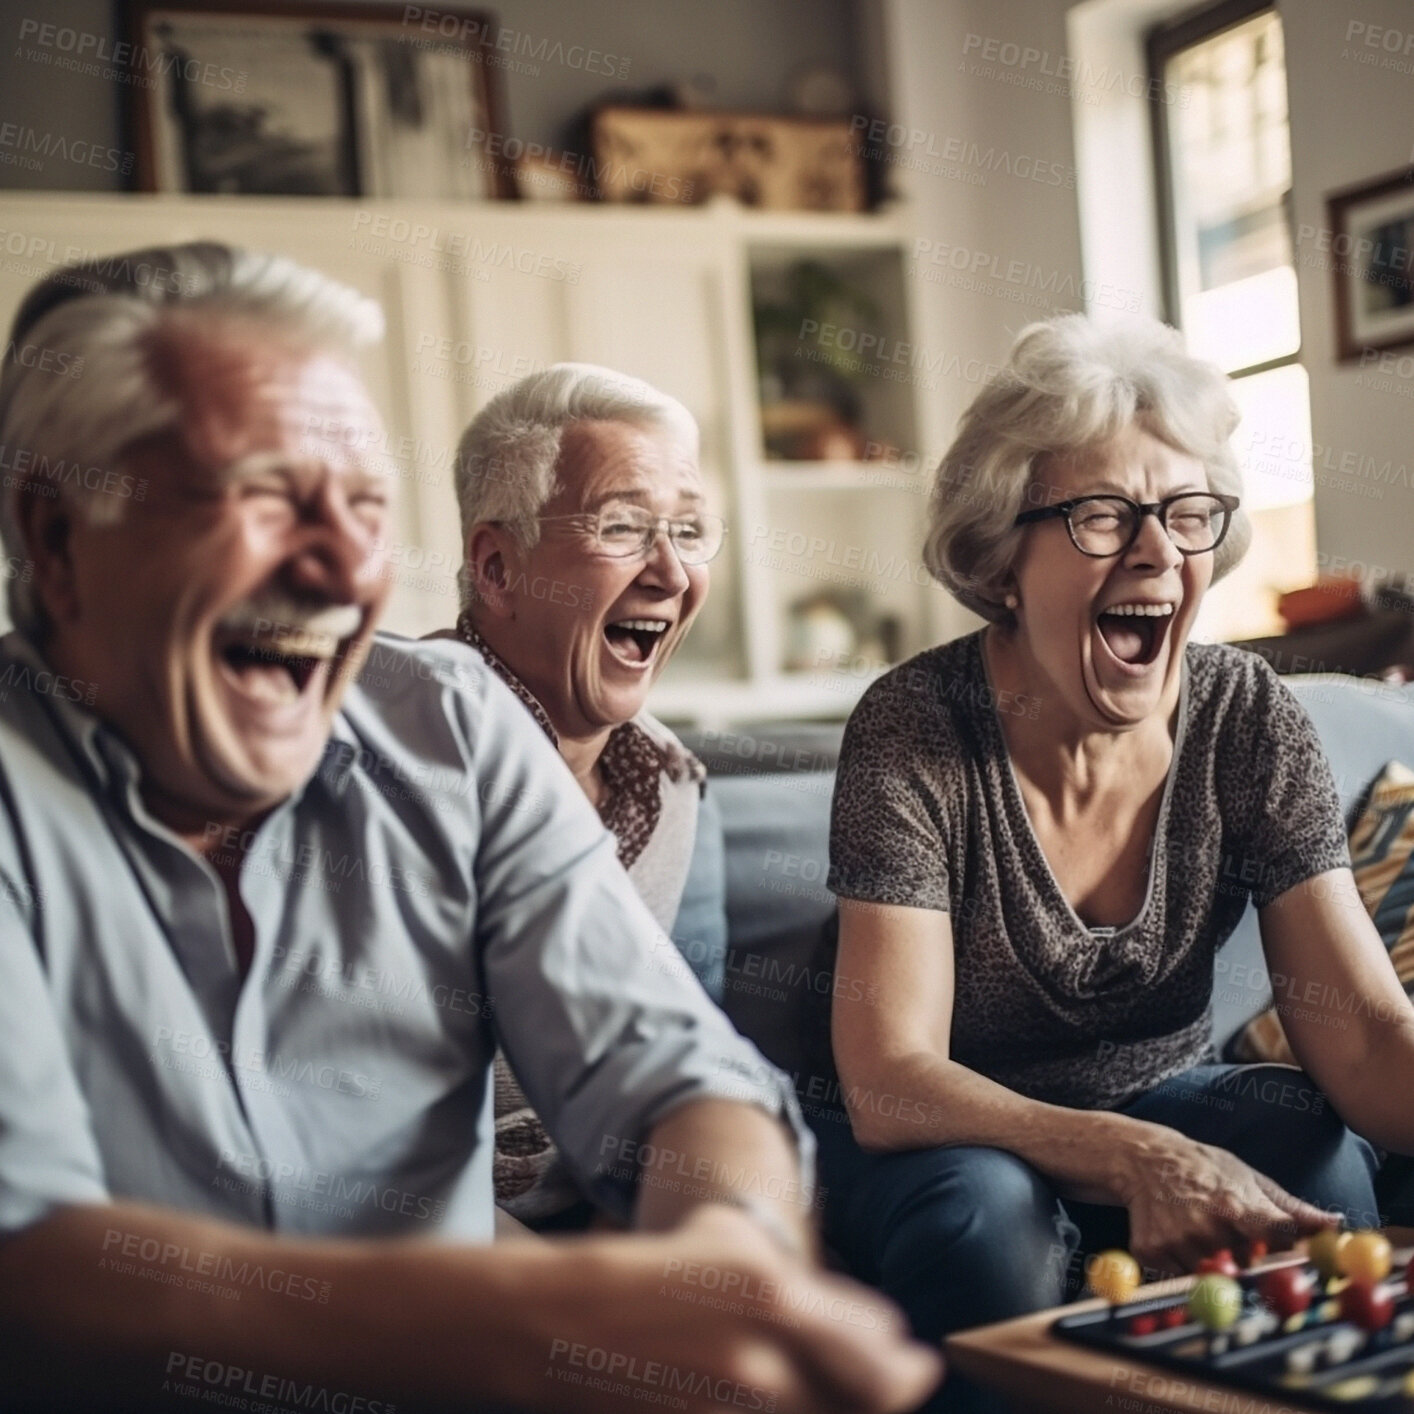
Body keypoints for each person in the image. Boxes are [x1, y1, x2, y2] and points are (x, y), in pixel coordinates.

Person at [0, 242, 941, 1414]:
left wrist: (724, 1258)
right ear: (54, 539)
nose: (349, 565)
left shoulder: (451, 726)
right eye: (259, 493)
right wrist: (526, 1326)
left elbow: (667, 1076)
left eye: (363, 505)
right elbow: (27, 1267)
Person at [818, 314, 1414, 1411]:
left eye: (1187, 515)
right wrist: (1136, 1156)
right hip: (949, 1128)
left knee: (1311, 1154)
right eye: (1101, 516)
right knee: (982, 1221)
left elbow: (1368, 1039)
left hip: (1160, 1088)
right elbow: (890, 1081)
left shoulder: (1245, 716)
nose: (1157, 552)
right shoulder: (914, 728)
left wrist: (1153, 1139)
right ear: (1003, 559)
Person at [431, 363, 726, 1224]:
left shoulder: (670, 784)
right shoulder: (391, 758)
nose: (672, 573)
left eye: (690, 530)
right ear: (496, 568)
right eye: (624, 526)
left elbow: (680, 1070)